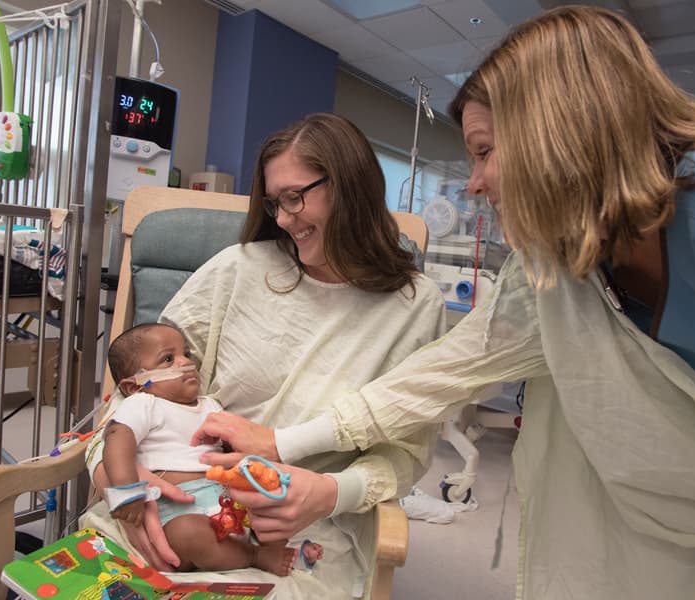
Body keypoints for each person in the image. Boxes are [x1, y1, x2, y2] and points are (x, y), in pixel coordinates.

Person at [192, 6, 695, 600]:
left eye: (484, 151)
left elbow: (424, 402)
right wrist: (277, 444)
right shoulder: (558, 261)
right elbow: (439, 375)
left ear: (562, 132)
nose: (473, 182)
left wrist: (316, 475)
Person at [82, 112, 447, 599]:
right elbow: (131, 398)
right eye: (274, 202)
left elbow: (404, 454)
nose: (281, 219)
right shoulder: (236, 269)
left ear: (352, 186)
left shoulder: (414, 306)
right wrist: (118, 479)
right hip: (166, 506)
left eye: (295, 197)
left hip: (299, 534)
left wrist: (328, 494)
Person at [101, 322, 298, 576]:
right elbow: (117, 441)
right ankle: (256, 556)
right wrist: (126, 492)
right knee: (190, 535)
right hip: (176, 514)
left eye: (186, 354)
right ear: (135, 385)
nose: (185, 362)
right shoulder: (144, 403)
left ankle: (278, 546)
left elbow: (234, 446)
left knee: (273, 506)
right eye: (168, 359)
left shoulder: (210, 405)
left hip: (228, 500)